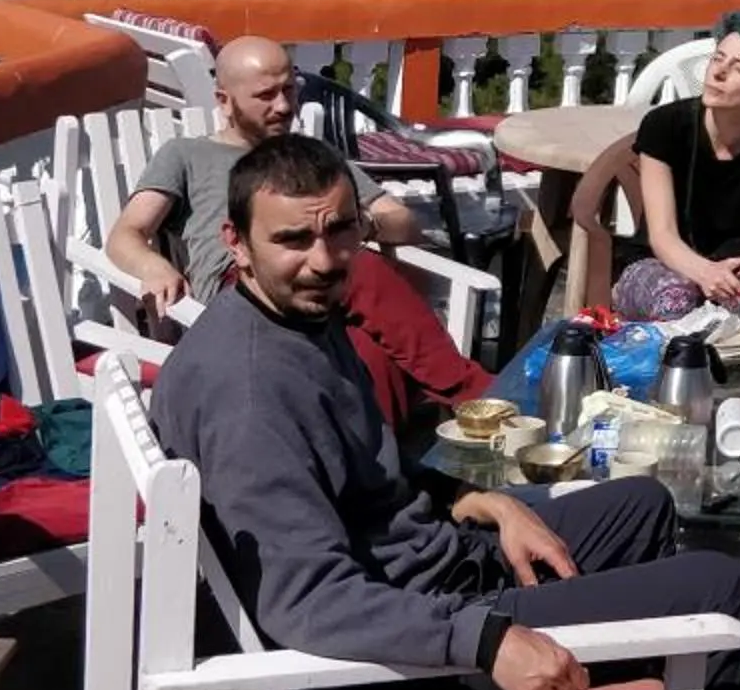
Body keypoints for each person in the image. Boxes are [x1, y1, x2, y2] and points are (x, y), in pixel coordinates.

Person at [150, 133, 740, 690]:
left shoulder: (296, 319)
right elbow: (305, 600)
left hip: (430, 570)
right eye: (292, 240)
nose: (323, 259)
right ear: (237, 242)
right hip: (403, 655)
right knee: (717, 588)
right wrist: (487, 639)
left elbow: (365, 475)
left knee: (641, 505)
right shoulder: (251, 396)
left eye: (339, 231)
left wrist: (480, 501)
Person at [104, 34, 492, 428]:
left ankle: (376, 471)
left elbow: (404, 222)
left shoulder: (311, 157)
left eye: (289, 90)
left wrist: (362, 225)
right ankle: (473, 392)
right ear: (224, 101)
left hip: (323, 288)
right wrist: (153, 267)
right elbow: (126, 234)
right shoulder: (186, 155)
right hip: (243, 285)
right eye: (266, 95)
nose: (284, 106)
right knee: (361, 268)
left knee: (367, 352)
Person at [572, 10, 740, 322]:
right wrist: (706, 273)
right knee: (675, 299)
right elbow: (663, 236)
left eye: (738, 68)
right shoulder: (665, 127)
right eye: (718, 59)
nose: (718, 73)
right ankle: (668, 372)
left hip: (739, 271)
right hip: (661, 263)